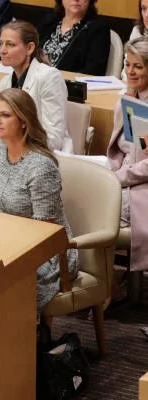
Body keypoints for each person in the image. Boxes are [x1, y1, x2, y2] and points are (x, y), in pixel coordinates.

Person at [0, 88, 78, 312]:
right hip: (8, 241)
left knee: (1, 279)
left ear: (23, 121)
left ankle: (18, 341)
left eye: (5, 115)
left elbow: (44, 232)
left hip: (47, 254)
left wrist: (5, 244)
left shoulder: (40, 167)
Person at [0, 20, 72, 162]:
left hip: (45, 159)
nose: (2, 50)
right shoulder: (5, 82)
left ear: (29, 48)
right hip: (12, 156)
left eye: (10, 44)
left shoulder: (49, 77)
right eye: (1, 43)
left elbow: (53, 139)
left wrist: (15, 150)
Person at [107, 36, 148, 273]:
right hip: (121, 177)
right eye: (127, 64)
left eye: (138, 66)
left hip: (140, 187)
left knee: (94, 209)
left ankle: (104, 286)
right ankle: (104, 281)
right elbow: (121, 150)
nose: (130, 72)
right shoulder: (128, 99)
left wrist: (117, 179)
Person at [37, 0, 110, 75]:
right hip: (36, 81)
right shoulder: (49, 21)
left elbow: (93, 70)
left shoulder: (98, 28)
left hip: (69, 84)